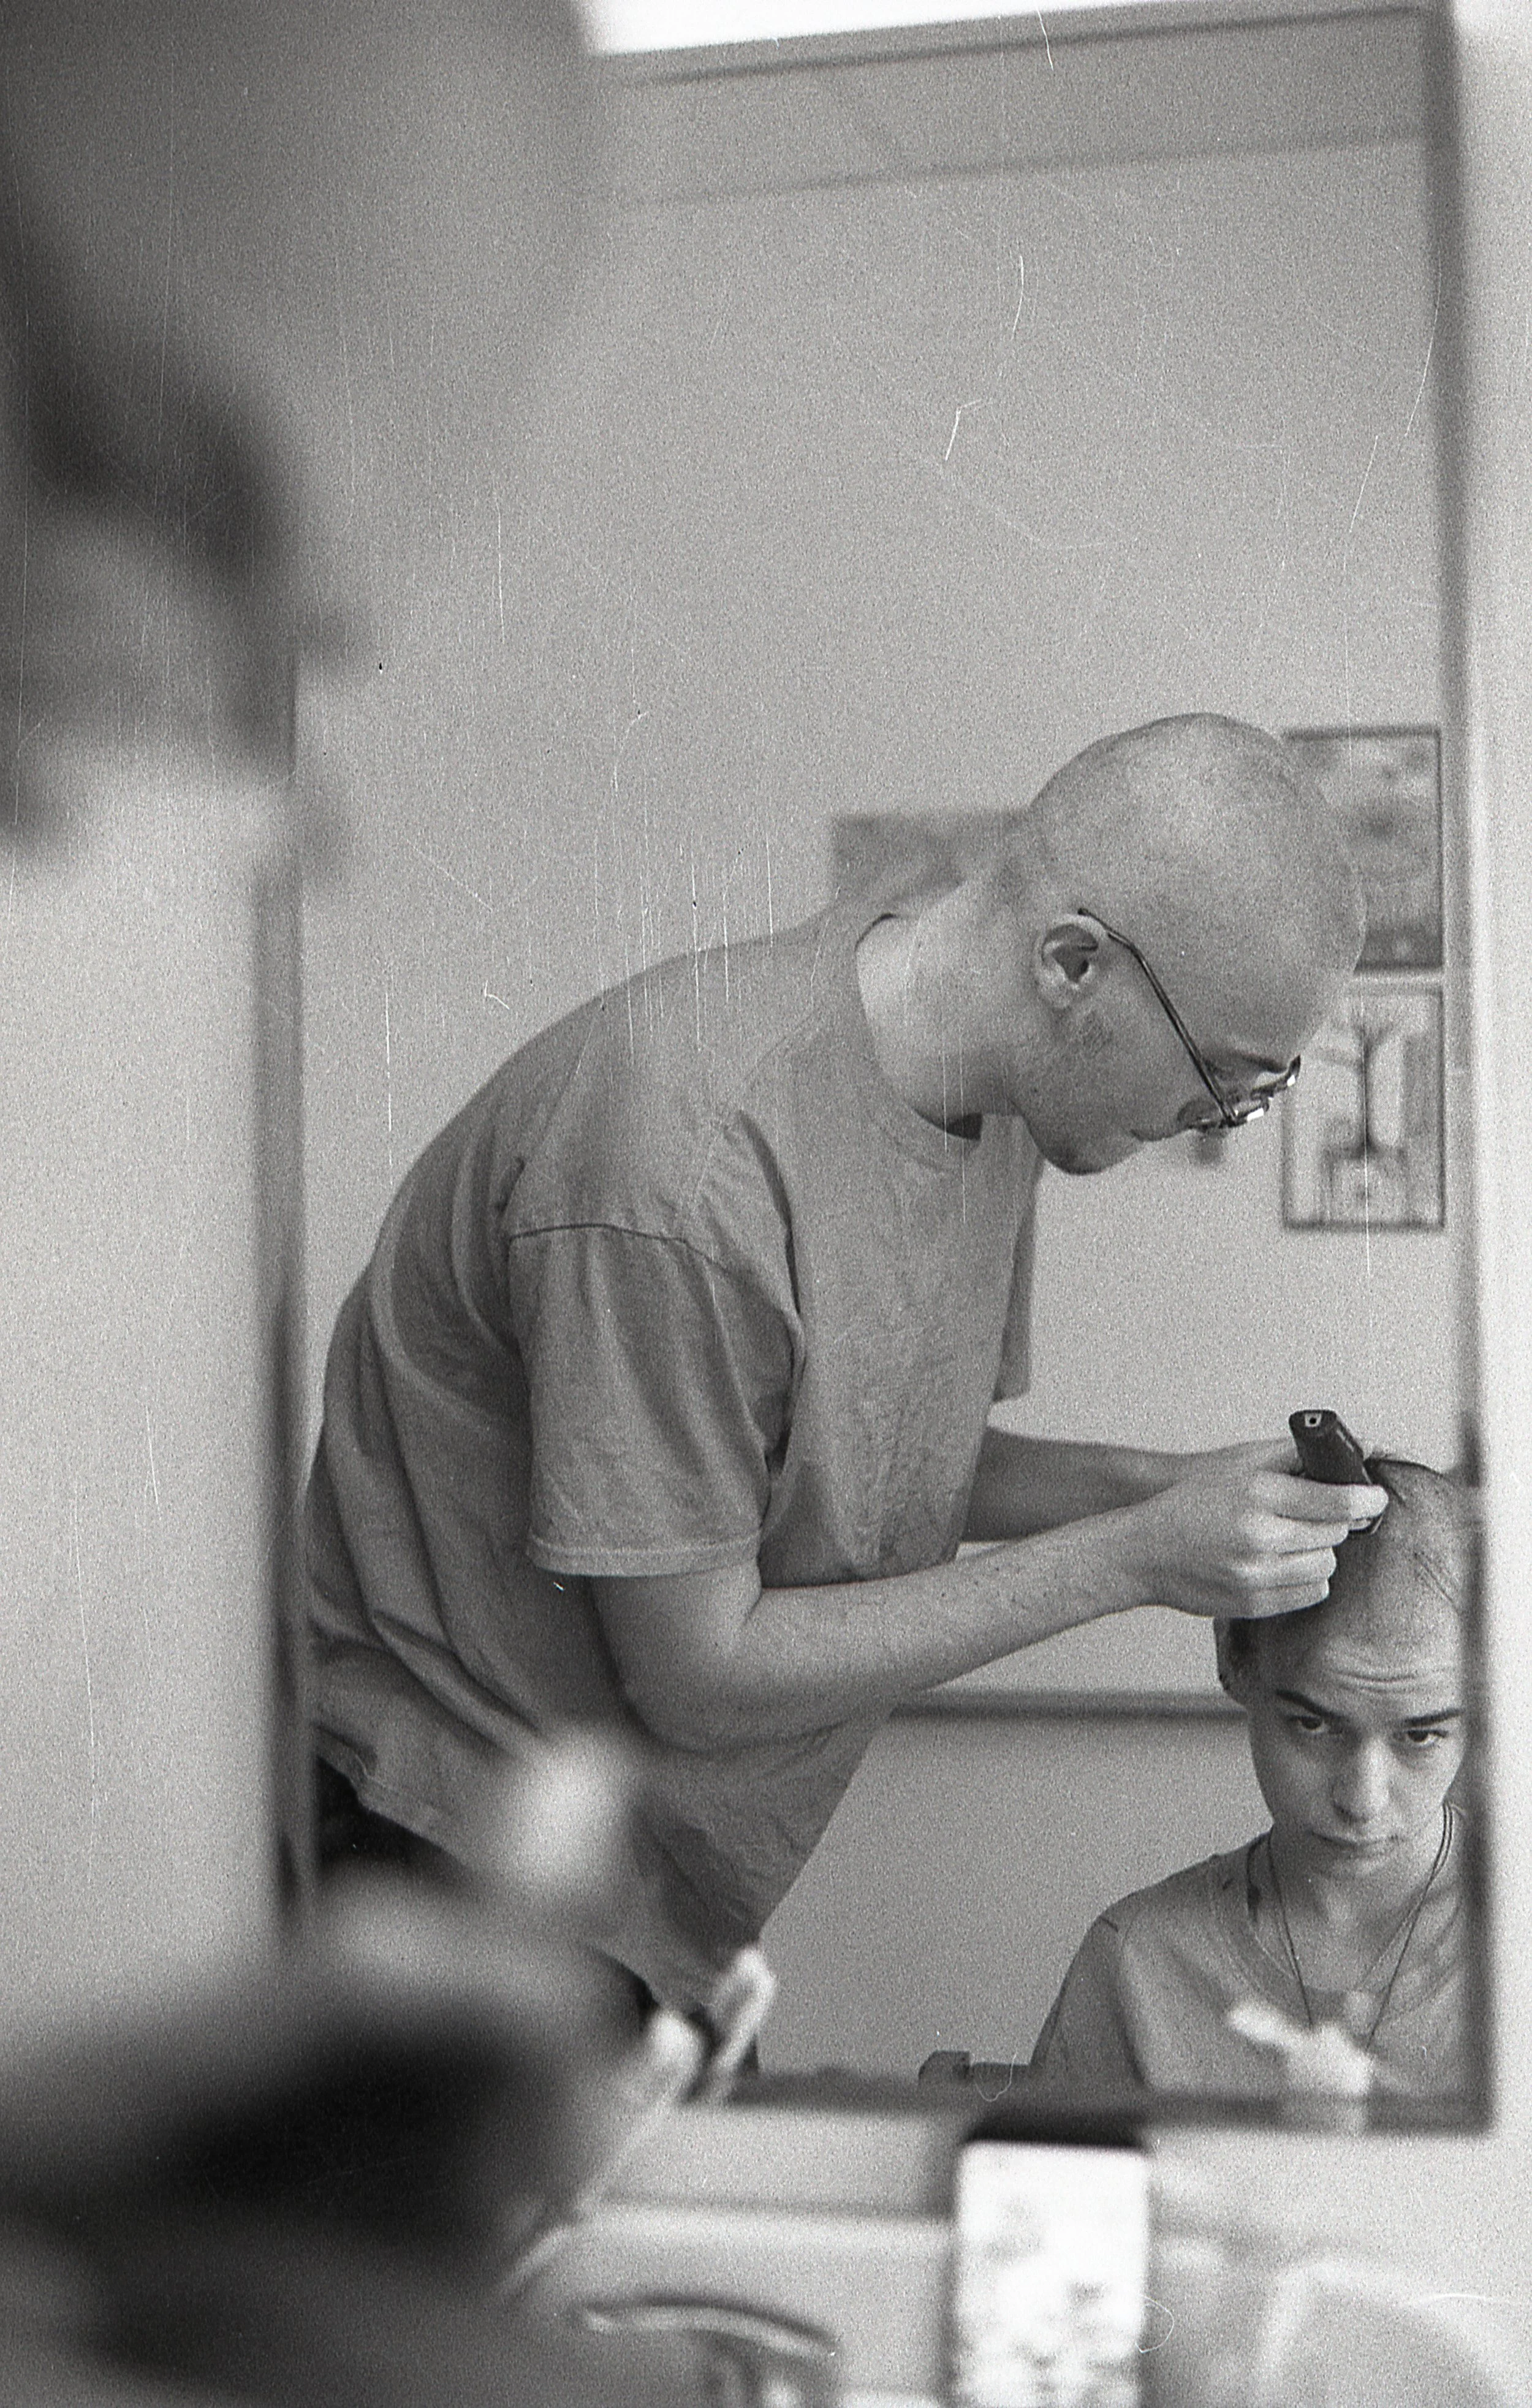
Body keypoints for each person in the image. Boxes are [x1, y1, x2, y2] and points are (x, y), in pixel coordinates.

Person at [304, 708, 1389, 2009]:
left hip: (645, 1883)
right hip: (451, 1849)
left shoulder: (997, 1103)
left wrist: (1168, 1485)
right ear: (1072, 963)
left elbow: (874, 1459)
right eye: (1225, 1074)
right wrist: (1135, 1556)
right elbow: (702, 1672)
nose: (1216, 1117)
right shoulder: (684, 1165)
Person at [1028, 1457, 1473, 2102]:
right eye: (1313, 1725)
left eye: (1421, 1735)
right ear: (1232, 1658)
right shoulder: (1140, 1962)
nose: (1362, 1799)